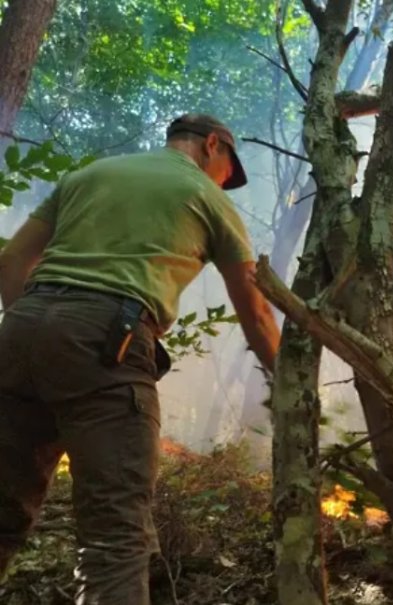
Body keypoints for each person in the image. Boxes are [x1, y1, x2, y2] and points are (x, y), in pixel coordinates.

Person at [0, 113, 281, 604]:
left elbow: (10, 262)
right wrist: (289, 381)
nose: (224, 184)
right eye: (226, 171)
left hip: (21, 327)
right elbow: (255, 312)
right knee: (115, 535)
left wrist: (35, 327)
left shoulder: (87, 176)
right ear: (211, 145)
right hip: (107, 338)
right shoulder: (209, 199)